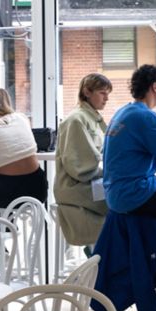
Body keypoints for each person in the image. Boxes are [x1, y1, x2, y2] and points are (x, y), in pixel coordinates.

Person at [54, 73, 112, 250]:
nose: (107, 98)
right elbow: (80, 168)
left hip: (86, 183)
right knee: (124, 200)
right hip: (76, 187)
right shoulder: (77, 120)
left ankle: (105, 257)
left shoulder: (91, 118)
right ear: (87, 92)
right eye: (102, 93)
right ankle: (102, 258)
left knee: (125, 196)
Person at [103, 64, 156, 218]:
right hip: (135, 193)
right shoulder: (146, 117)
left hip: (115, 194)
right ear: (155, 86)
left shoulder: (123, 112)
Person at [0, 87, 47, 210]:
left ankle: (1, 229)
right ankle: (29, 229)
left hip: (6, 192)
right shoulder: (23, 118)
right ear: (7, 102)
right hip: (37, 188)